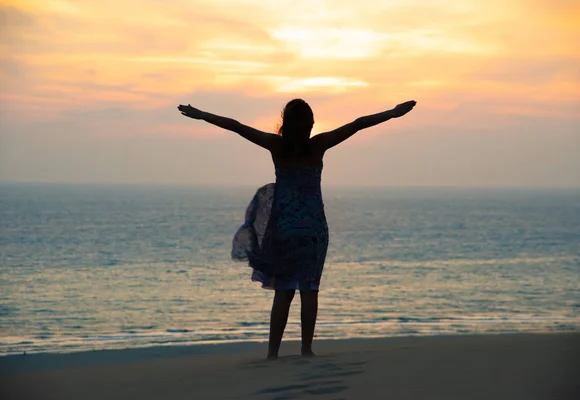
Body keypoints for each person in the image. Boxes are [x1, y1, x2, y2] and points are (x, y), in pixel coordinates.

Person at [178, 98, 416, 359]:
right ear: (307, 124)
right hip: (313, 229)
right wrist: (392, 113)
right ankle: (306, 349)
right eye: (311, 122)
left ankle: (273, 354)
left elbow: (236, 126)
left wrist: (202, 114)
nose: (313, 126)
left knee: (283, 292)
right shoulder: (318, 145)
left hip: (283, 229)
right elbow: (358, 124)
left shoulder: (276, 146)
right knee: (309, 289)